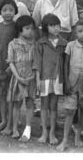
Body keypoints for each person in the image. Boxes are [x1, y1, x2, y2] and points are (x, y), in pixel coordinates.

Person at [57, 19, 83, 151]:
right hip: (72, 82)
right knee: (69, 111)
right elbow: (65, 64)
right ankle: (64, 140)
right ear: (75, 32)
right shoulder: (70, 45)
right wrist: (66, 82)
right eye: (80, 31)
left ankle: (78, 135)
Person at [34, 14, 67, 144]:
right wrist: (37, 79)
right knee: (43, 106)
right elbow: (37, 63)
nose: (55, 28)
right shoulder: (41, 43)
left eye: (57, 25)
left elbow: (65, 63)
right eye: (52, 25)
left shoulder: (64, 43)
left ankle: (52, 132)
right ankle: (44, 132)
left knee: (54, 107)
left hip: (58, 78)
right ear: (46, 27)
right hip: (44, 78)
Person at [4, 15, 36, 141]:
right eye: (27, 28)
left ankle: (27, 129)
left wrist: (33, 76)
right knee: (16, 103)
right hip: (17, 78)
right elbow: (11, 62)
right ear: (20, 30)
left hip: (31, 78)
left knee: (30, 103)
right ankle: (15, 128)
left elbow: (36, 61)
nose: (30, 31)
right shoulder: (13, 44)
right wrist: (17, 77)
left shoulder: (35, 44)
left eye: (32, 28)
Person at [0, 0, 17, 133]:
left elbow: (18, 48)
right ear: (0, 12)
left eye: (11, 10)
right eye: (4, 10)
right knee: (0, 91)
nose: (8, 13)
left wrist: (9, 68)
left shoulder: (16, 28)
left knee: (10, 94)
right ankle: (2, 118)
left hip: (11, 66)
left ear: (15, 11)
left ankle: (9, 120)